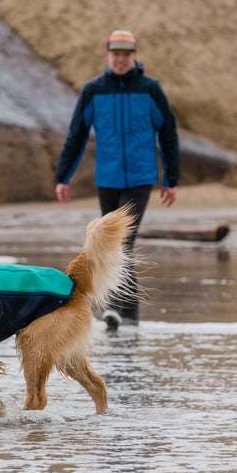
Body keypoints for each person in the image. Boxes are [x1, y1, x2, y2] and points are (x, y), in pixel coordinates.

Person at [54, 29, 180, 329]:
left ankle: (116, 308)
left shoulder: (150, 89)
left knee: (121, 243)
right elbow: (77, 135)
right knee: (110, 243)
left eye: (126, 54)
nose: (121, 59)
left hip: (140, 178)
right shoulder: (94, 90)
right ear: (108, 55)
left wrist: (171, 178)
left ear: (134, 56)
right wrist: (63, 176)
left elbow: (168, 133)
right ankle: (129, 315)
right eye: (116, 54)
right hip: (108, 179)